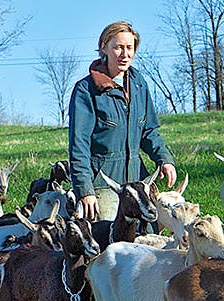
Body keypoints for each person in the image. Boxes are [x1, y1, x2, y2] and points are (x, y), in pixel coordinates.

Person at [67, 21, 177, 220]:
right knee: (110, 244)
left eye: (130, 48)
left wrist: (164, 159)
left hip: (138, 184)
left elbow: (148, 131)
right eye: (118, 47)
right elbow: (79, 145)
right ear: (104, 48)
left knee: (148, 242)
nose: (125, 54)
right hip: (103, 185)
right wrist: (86, 190)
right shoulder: (86, 90)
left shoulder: (139, 84)